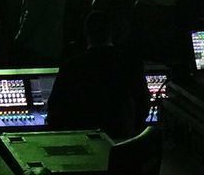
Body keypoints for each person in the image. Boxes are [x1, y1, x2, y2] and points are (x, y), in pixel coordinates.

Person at [45, 10, 149, 140]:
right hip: (121, 135)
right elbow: (143, 104)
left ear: (86, 33)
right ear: (112, 33)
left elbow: (56, 108)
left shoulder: (72, 66)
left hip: (82, 138)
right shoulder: (132, 64)